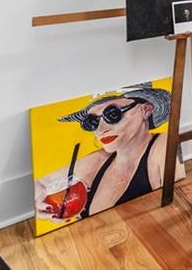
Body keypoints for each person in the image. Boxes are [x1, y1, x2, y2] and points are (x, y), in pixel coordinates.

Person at [34, 84, 180, 222]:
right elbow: (38, 184)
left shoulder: (163, 144)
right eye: (91, 122)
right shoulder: (99, 159)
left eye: (112, 114)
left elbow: (176, 208)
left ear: (145, 110)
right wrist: (39, 202)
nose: (101, 130)